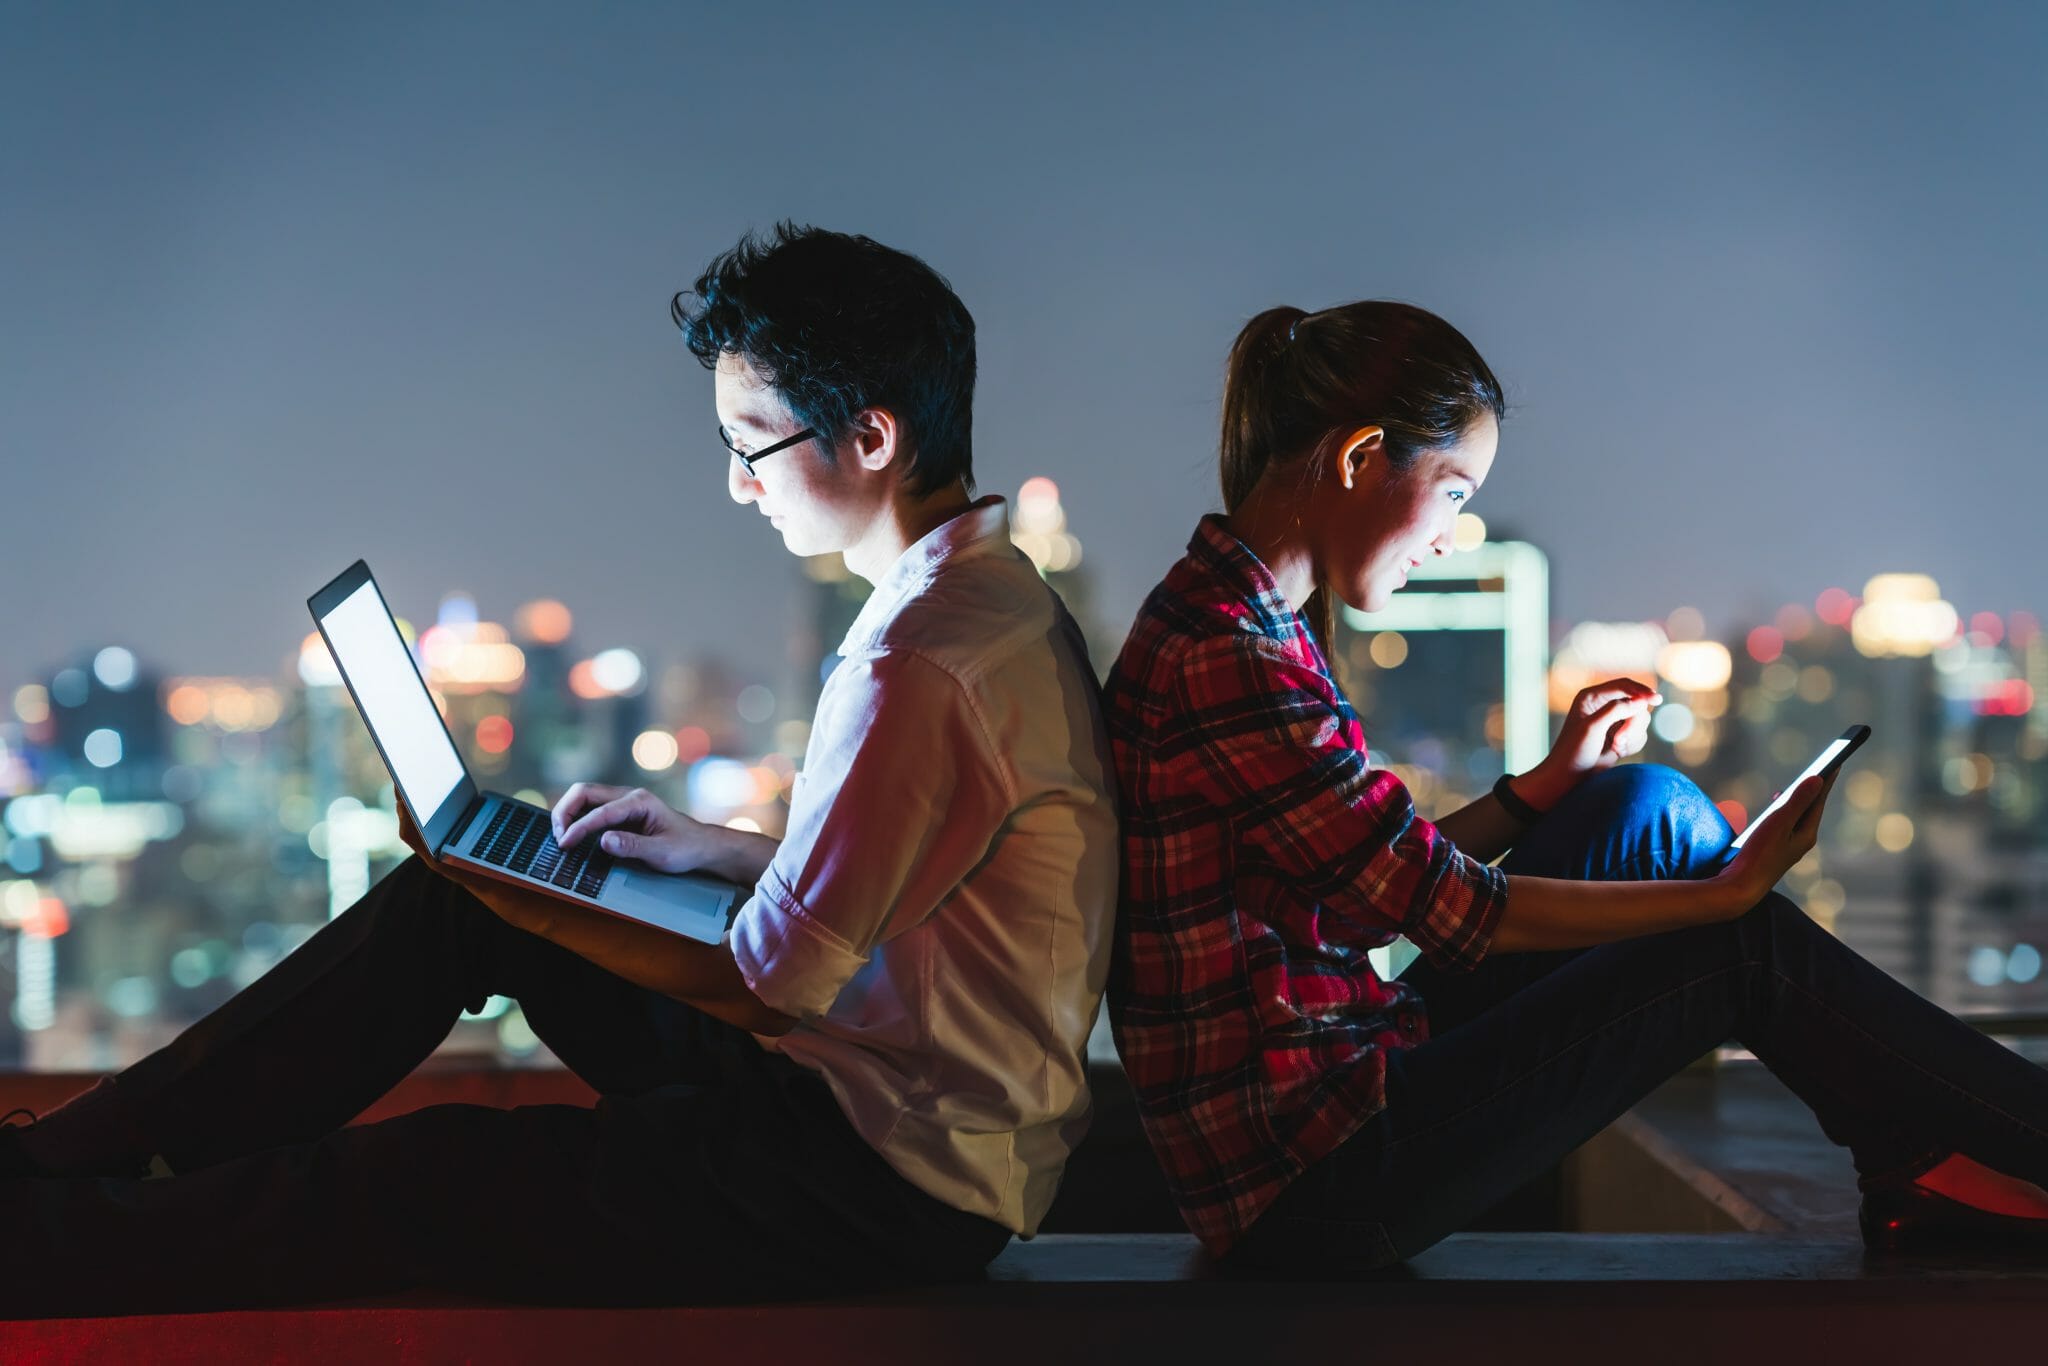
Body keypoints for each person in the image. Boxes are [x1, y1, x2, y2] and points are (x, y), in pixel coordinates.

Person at [0, 224, 1118, 1314]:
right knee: (453, 907)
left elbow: (767, 983)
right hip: (883, 1096)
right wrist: (704, 849)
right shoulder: (991, 602)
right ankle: (80, 1157)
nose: (737, 483)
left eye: (752, 442)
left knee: (417, 1175)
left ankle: (41, 1234)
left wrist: (536, 900)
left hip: (873, 1170)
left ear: (870, 439)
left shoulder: (915, 657)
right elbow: (920, 882)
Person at [1104, 299, 2048, 1268]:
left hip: (1346, 1079)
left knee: (1640, 808)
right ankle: (1988, 1147)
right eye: (1455, 492)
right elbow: (1440, 907)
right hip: (1312, 1175)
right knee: (1737, 944)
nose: (1450, 536)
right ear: (1356, 459)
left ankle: (1911, 1159)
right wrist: (1717, 895)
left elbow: (1367, 882)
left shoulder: (1239, 620)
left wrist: (1543, 787)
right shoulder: (1232, 655)